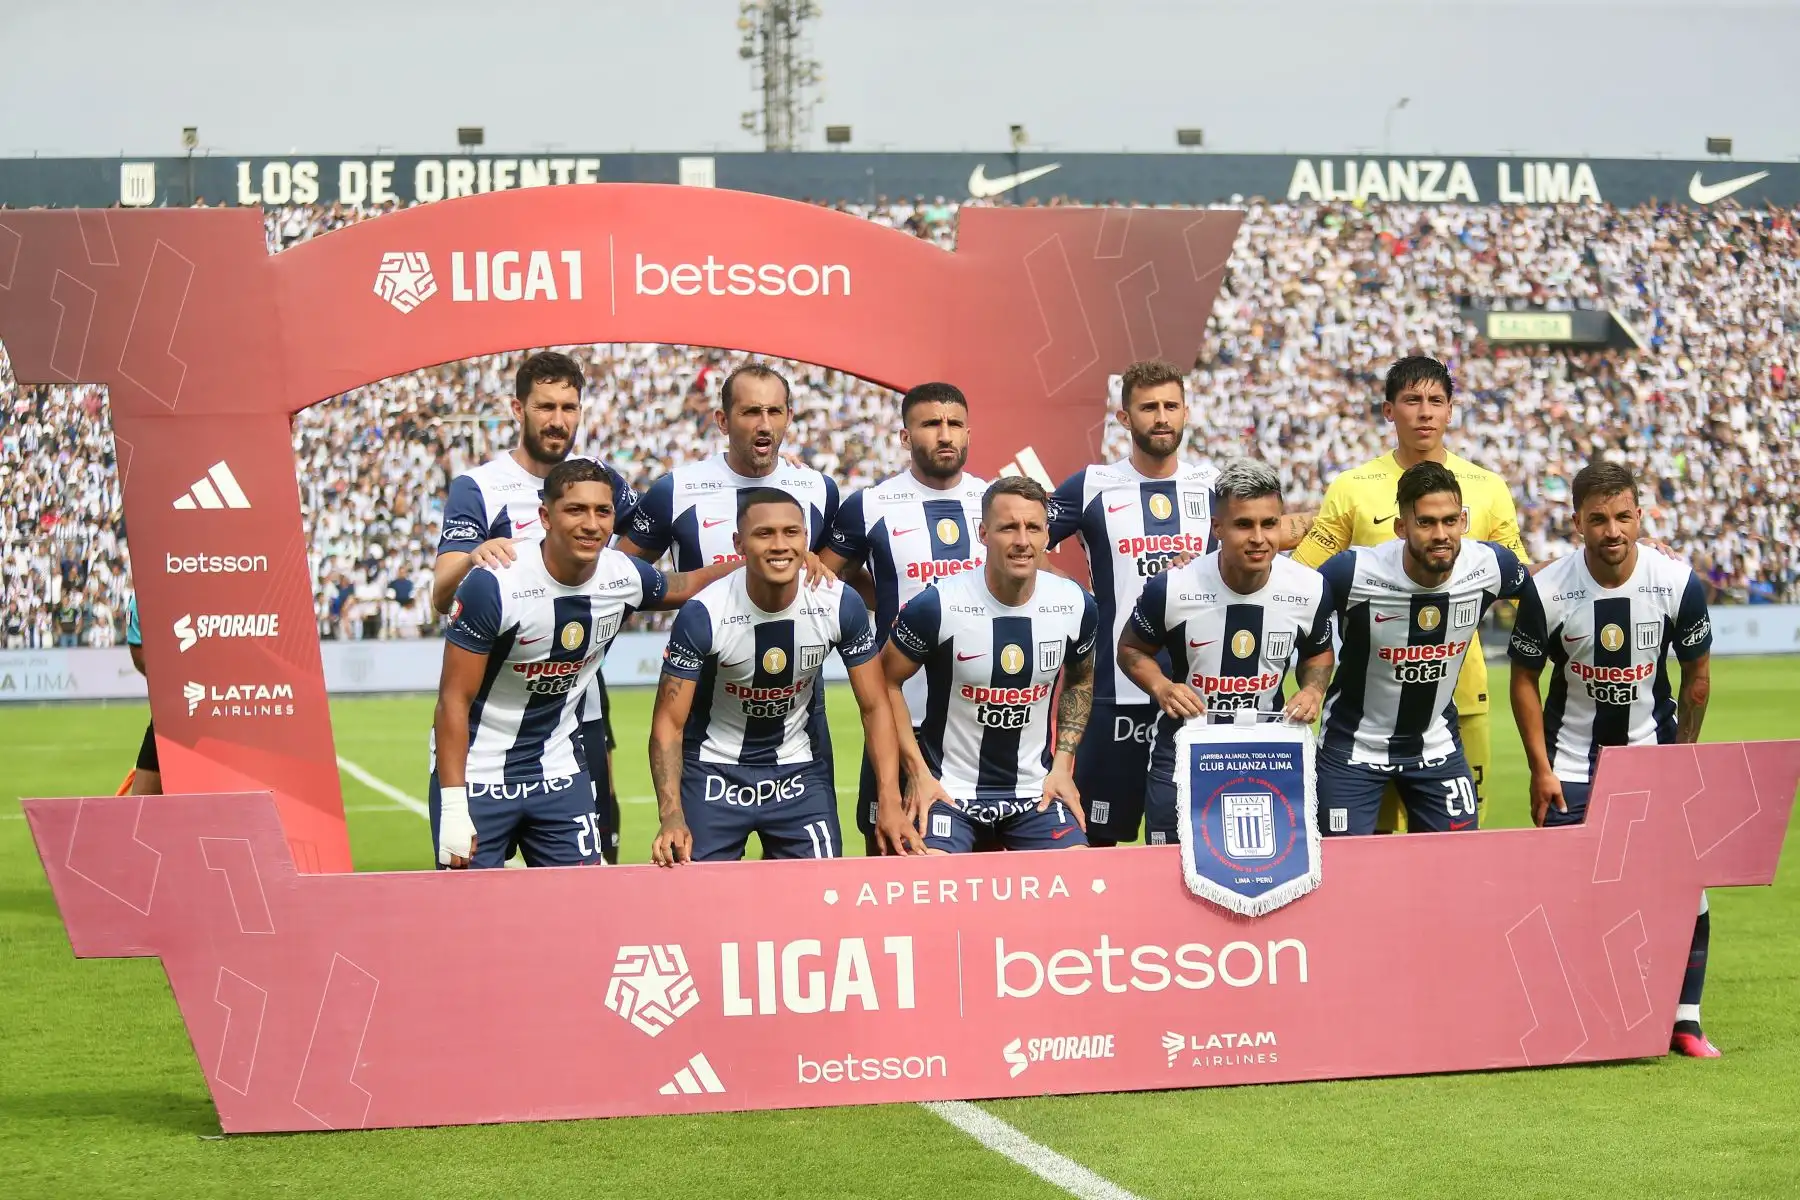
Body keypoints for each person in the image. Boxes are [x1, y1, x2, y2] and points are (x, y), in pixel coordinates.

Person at [1508, 460, 1718, 1057]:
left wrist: (1682, 759)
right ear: (1577, 522)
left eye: (1623, 516)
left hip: (1653, 758)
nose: (1612, 530)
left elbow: (1697, 677)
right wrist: (1539, 769)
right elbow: (1524, 681)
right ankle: (1577, 1019)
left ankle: (1686, 1019)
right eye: (1597, 519)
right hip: (1570, 763)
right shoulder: (1547, 589)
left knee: (1687, 890)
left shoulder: (1675, 582)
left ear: (1640, 516)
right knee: (1569, 895)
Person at [432, 460, 733, 869]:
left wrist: (780, 558)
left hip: (558, 771)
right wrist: (453, 805)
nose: (591, 524)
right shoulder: (496, 585)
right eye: (575, 510)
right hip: (479, 773)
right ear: (545, 517)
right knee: (467, 923)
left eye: (602, 512)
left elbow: (693, 583)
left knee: (584, 914)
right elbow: (453, 701)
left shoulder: (623, 575)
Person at [1293, 355, 1528, 830]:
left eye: (1436, 401)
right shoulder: (1352, 487)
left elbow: (1527, 583)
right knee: (1372, 847)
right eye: (1412, 400)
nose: (1424, 412)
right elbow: (1301, 578)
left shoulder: (1487, 487)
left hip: (1461, 694)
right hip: (1371, 697)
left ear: (1450, 410)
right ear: (1389, 411)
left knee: (1457, 846)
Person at [431, 350, 639, 863]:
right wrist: (471, 559)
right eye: (545, 406)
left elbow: (650, 543)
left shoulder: (601, 484)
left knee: (595, 876)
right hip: (498, 703)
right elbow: (440, 594)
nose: (558, 420)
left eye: (569, 407)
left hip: (578, 708)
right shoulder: (480, 486)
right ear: (517, 409)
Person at [648, 488, 917, 865]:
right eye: (764, 534)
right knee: (697, 908)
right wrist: (671, 814)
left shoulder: (838, 603)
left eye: (792, 533)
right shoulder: (705, 613)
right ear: (739, 544)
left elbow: (874, 707)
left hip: (800, 774)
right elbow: (668, 723)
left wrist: (889, 800)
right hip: (713, 773)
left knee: (820, 902)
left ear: (807, 539)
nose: (780, 545)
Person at [1045, 360, 1223, 847]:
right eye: (1148, 408)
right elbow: (1017, 546)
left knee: (1190, 842)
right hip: (1111, 693)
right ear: (1125, 418)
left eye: (1171, 406)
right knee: (1098, 839)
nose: (1161, 417)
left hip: (1197, 692)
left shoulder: (1215, 487)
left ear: (1186, 412)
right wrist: (1074, 597)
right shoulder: (1090, 485)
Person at [1116, 459, 1335, 844]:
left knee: (1271, 866)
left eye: (1269, 524)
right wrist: (1162, 687)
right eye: (1243, 524)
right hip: (1184, 749)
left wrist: (1314, 690)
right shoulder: (1172, 588)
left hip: (1271, 751)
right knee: (1167, 872)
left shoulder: (1309, 589)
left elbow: (1318, 653)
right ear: (1217, 528)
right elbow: (1131, 649)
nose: (1259, 538)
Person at [1314, 462, 1534, 837]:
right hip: (1352, 750)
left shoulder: (1492, 565)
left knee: (1458, 870)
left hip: (1437, 748)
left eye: (1451, 521)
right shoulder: (1351, 573)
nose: (1441, 534)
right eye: (1426, 522)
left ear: (1463, 520)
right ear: (1402, 528)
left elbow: (1543, 588)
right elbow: (1292, 607)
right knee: (1342, 877)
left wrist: (1633, 554)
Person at [882, 476, 1100, 853]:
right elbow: (885, 682)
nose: (1021, 540)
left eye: (1032, 527)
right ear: (983, 533)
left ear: (1048, 535)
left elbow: (1080, 681)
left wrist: (1063, 764)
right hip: (949, 791)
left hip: (1036, 793)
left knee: (1079, 882)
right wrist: (917, 772)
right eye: (1007, 527)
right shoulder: (937, 604)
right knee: (931, 890)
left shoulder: (1076, 604)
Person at [819, 381, 988, 853]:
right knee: (895, 855)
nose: (945, 435)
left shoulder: (997, 503)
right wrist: (882, 605)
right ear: (905, 436)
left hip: (987, 719)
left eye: (954, 424)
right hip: (900, 716)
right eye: (931, 424)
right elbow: (824, 580)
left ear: (969, 433)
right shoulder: (871, 505)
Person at [617, 363, 839, 572]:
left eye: (774, 412)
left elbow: (834, 580)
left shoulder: (819, 488)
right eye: (751, 412)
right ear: (723, 421)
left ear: (789, 417)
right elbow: (617, 578)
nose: (765, 425)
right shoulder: (675, 490)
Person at [121, 594, 162, 796]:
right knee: (141, 807)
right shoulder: (140, 598)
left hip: (222, 710)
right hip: (169, 719)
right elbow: (139, 656)